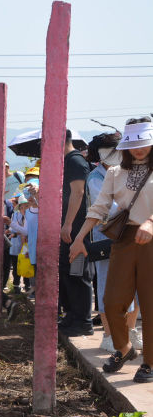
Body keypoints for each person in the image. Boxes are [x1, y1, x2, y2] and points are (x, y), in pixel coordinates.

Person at [70, 116, 153, 382]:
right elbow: (99, 207)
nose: (139, 148)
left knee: (150, 304)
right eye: (134, 142)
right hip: (125, 239)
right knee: (112, 301)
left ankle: (149, 363)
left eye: (144, 142)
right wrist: (80, 237)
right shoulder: (115, 173)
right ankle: (125, 348)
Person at [85, 133, 141, 352]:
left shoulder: (128, 173)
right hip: (107, 239)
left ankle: (131, 331)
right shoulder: (95, 178)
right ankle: (109, 335)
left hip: (133, 236)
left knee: (135, 287)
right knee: (108, 286)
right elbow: (110, 207)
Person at [59, 129, 94, 337]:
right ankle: (72, 315)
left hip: (77, 228)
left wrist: (68, 223)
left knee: (78, 272)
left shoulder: (75, 161)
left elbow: (79, 192)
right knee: (68, 271)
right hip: (71, 228)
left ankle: (83, 321)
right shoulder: (68, 161)